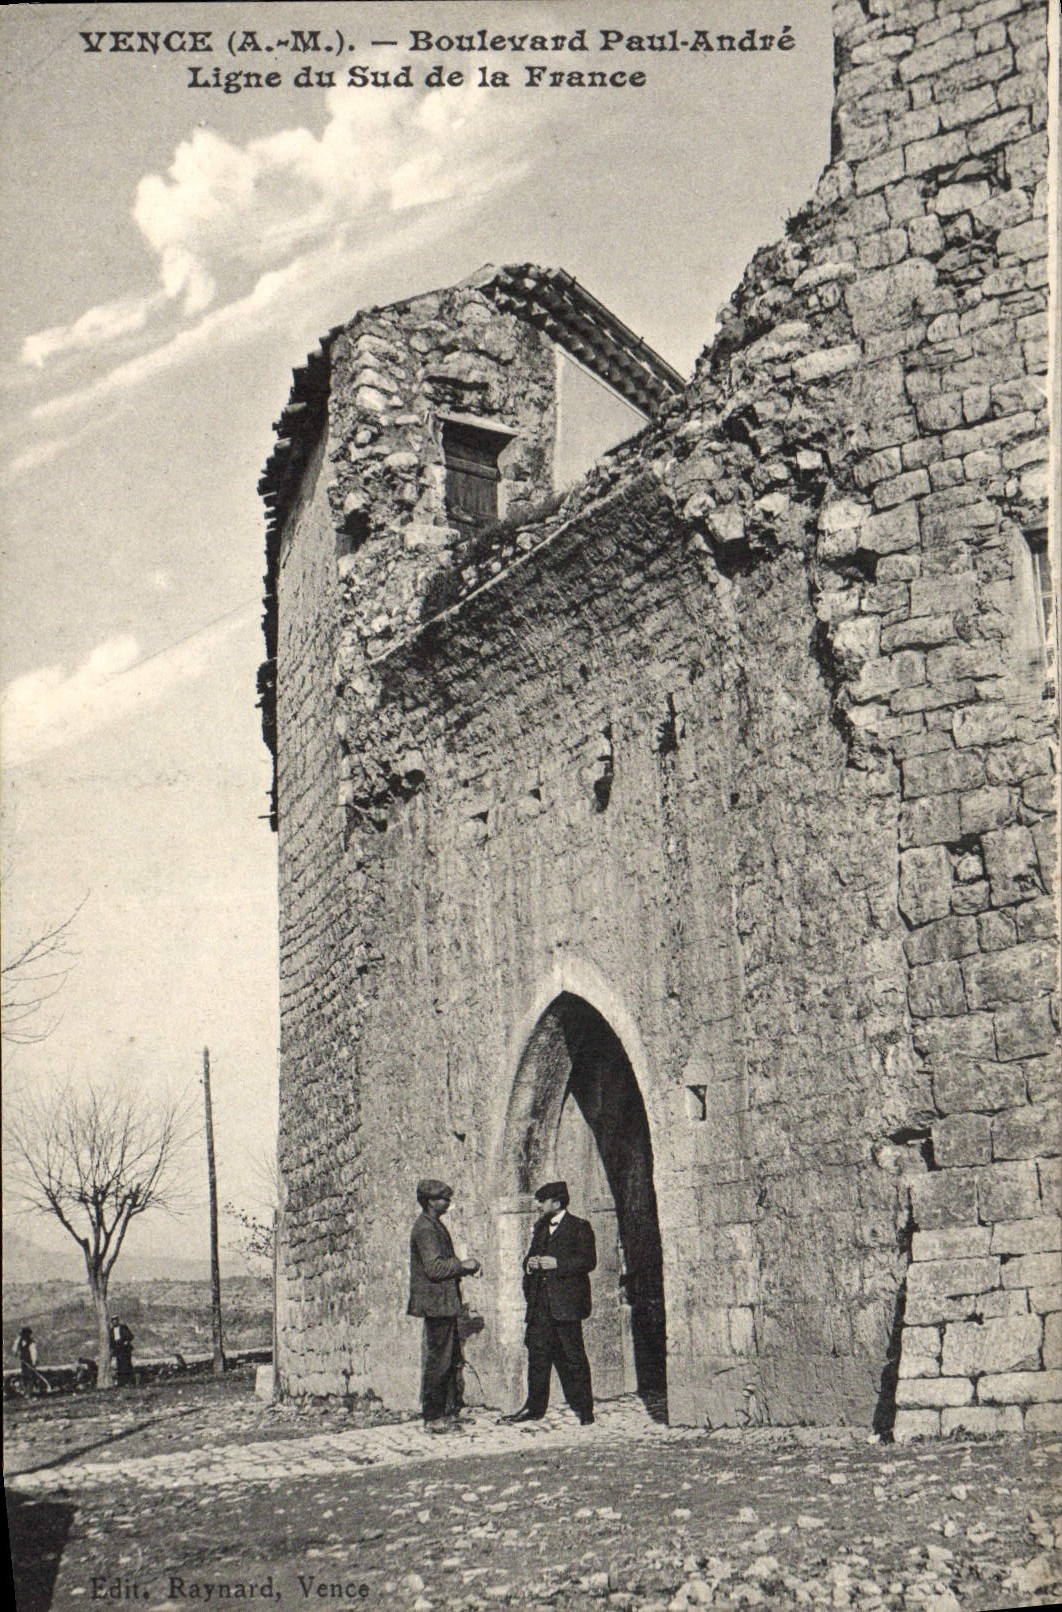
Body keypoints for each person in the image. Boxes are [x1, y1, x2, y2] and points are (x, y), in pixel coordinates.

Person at [501, 1180, 596, 1426]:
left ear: (557, 1202)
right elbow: (530, 1257)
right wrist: (529, 1264)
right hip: (540, 1307)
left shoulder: (580, 1227)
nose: (539, 1206)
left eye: (543, 1201)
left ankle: (586, 1410)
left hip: (566, 1307)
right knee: (537, 1358)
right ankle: (534, 1408)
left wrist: (558, 1264)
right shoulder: (541, 1227)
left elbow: (588, 1261)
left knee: (575, 1359)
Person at [407, 1179, 481, 1434]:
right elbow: (435, 1268)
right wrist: (464, 1265)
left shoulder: (433, 1225)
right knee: (439, 1360)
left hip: (444, 1303)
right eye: (443, 1199)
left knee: (448, 1359)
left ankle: (446, 1414)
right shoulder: (426, 1229)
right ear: (430, 1201)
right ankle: (433, 1417)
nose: (447, 1203)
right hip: (436, 1304)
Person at [12, 1326, 40, 1393]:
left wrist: (34, 1363)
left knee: (30, 1375)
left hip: (29, 1361)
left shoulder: (31, 1342)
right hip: (23, 1360)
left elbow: (34, 1354)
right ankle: (26, 1390)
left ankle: (31, 1390)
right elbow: (15, 1347)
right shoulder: (20, 1340)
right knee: (25, 1374)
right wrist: (15, 1352)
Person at [109, 1314, 135, 1384]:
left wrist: (126, 1341)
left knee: (127, 1363)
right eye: (113, 1321)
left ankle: (131, 1381)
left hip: (125, 1348)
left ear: (118, 1321)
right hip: (117, 1349)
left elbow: (131, 1336)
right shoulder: (111, 1331)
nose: (115, 1322)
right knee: (119, 1365)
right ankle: (122, 1381)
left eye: (116, 1320)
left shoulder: (123, 1327)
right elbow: (111, 1341)